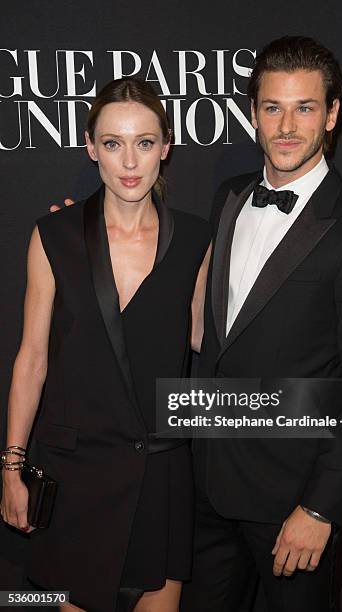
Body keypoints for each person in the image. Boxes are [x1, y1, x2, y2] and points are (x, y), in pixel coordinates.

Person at [181, 36, 342, 611]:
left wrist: (321, 508)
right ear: (253, 113)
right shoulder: (230, 198)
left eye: (304, 107)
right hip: (207, 493)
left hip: (293, 506)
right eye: (272, 107)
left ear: (332, 115)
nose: (285, 125)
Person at [0, 77, 211, 612]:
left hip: (160, 477)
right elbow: (32, 358)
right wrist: (11, 467)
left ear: (166, 148)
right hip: (74, 478)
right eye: (113, 143)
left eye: (144, 142)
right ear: (91, 147)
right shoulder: (55, 235)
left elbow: (201, 345)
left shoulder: (195, 241)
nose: (130, 161)